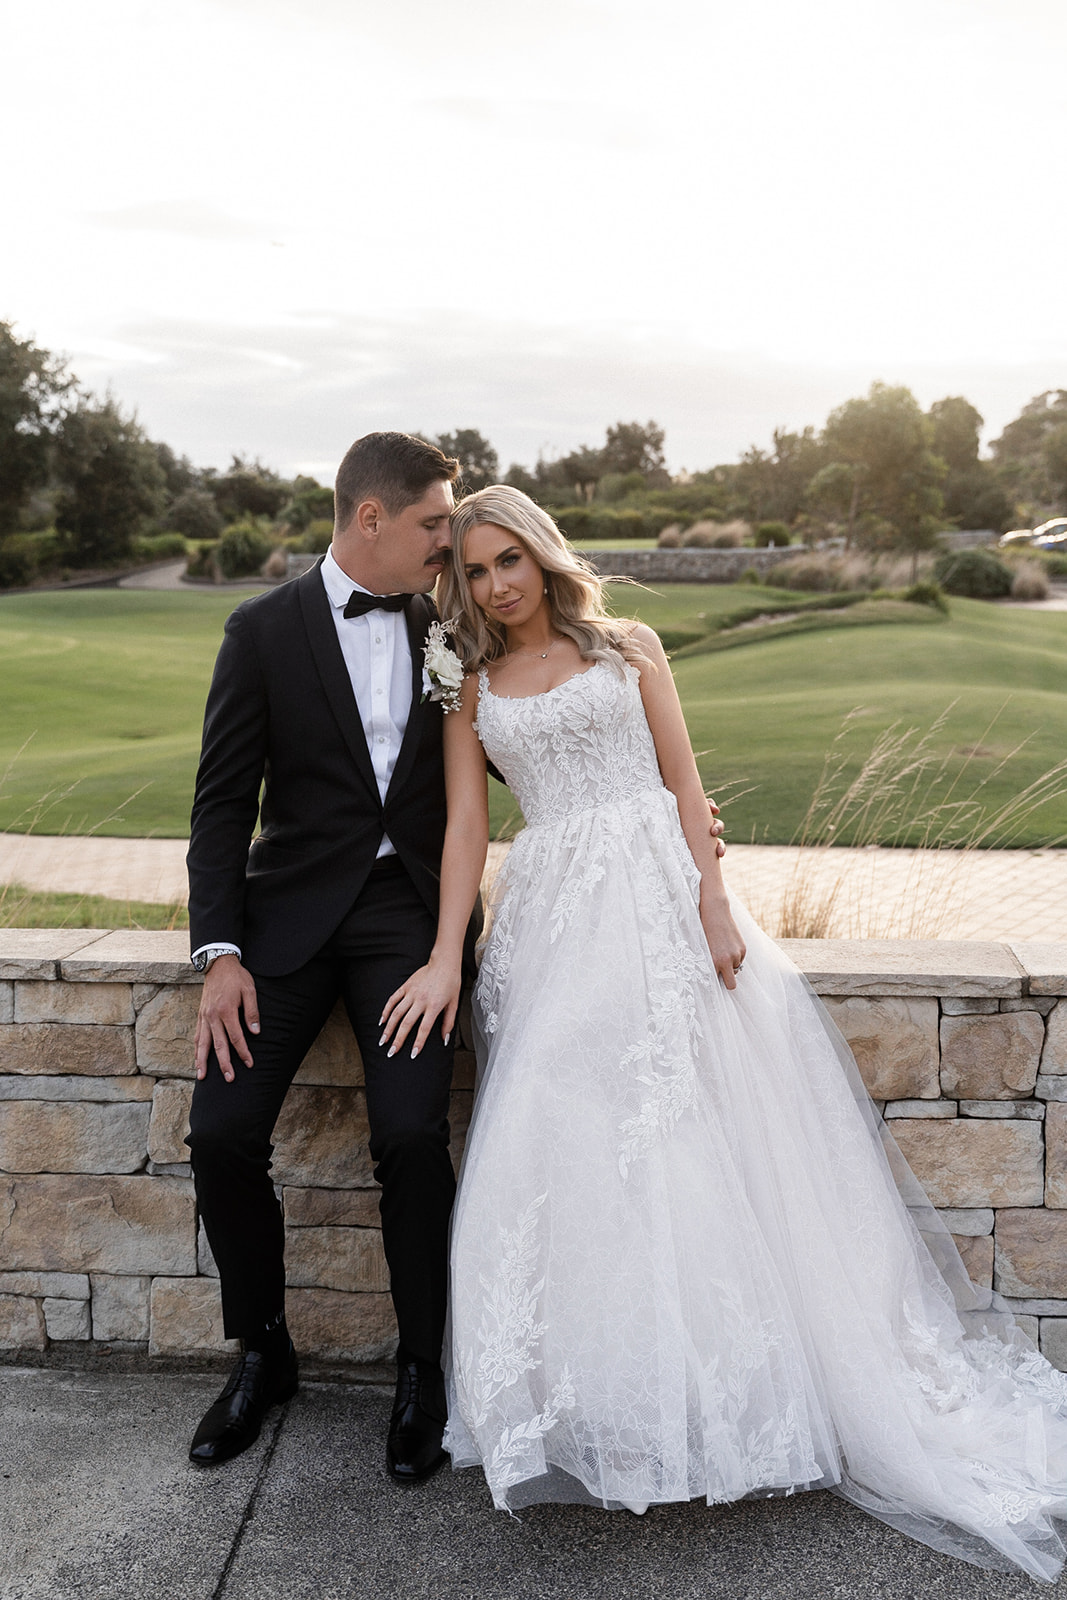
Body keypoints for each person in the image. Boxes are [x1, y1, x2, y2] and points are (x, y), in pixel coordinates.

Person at [381, 484, 1067, 1582]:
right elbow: (467, 827)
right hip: (551, 916)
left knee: (689, 1130)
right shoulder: (468, 684)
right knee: (563, 1130)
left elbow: (682, 777)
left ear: (543, 555)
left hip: (657, 896)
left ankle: (724, 1400)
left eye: (509, 559)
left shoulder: (628, 647)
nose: (496, 584)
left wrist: (710, 895)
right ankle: (607, 1400)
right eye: (473, 570)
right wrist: (440, 955)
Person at [184, 430, 730, 1479]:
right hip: (283, 926)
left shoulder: (447, 632)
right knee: (220, 1132)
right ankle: (261, 1351)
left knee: (408, 1134)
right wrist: (221, 952)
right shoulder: (260, 631)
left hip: (406, 921)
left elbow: (531, 744)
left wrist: (672, 816)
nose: (452, 546)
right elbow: (219, 805)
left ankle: (421, 1373)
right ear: (372, 517)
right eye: (436, 525)